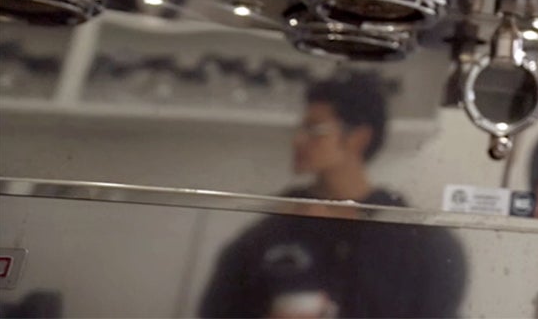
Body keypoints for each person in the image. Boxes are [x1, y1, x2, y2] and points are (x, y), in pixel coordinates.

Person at [198, 72, 467, 318]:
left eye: (314, 129)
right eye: (300, 129)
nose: (298, 140)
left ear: (357, 139)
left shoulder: (423, 243)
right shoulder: (269, 234)